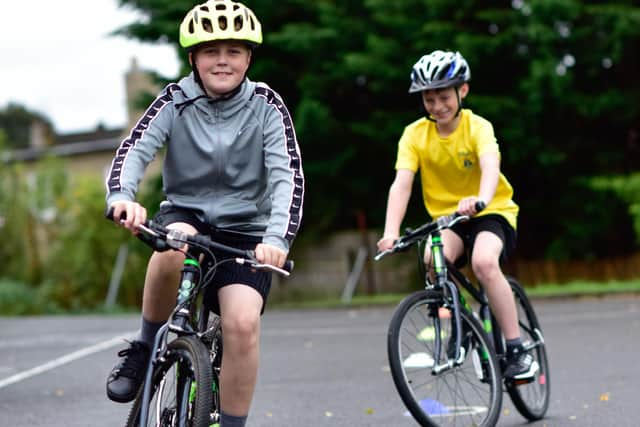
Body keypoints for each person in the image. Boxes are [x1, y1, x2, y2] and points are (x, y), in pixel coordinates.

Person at [104, 1, 304, 425]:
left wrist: (275, 240)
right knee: (172, 246)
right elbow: (136, 147)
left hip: (245, 233)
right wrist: (122, 195)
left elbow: (287, 175)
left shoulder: (267, 105)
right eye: (211, 51)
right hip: (187, 215)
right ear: (193, 57)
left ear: (249, 57)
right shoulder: (174, 100)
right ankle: (144, 347)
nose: (222, 61)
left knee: (244, 324)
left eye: (234, 51)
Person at [377, 50, 535, 379]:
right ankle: (464, 328)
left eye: (444, 97)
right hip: (448, 220)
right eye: (429, 99)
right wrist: (390, 232)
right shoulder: (414, 135)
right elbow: (402, 184)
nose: (437, 106)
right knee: (431, 261)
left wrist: (480, 198)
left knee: (484, 263)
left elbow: (491, 166)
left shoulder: (478, 127)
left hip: (490, 212)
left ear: (462, 91)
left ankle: (517, 347)